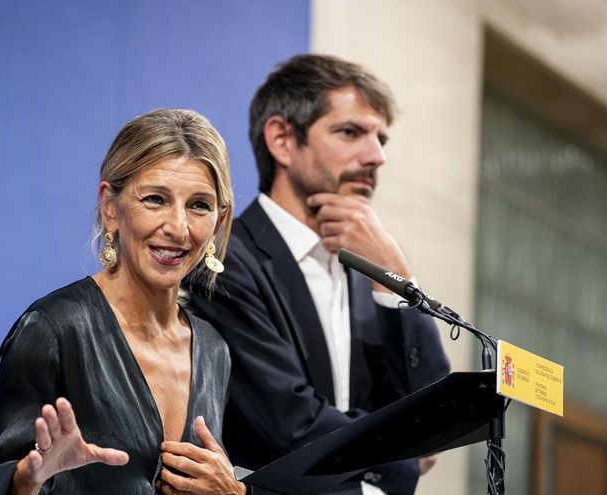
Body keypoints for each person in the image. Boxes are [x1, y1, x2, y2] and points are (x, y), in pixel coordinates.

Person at [188, 54, 450, 494]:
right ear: (283, 140)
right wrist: (403, 457)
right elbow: (290, 426)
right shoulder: (224, 262)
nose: (377, 156)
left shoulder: (368, 269)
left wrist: (396, 274)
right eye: (351, 132)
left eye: (382, 138)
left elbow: (435, 410)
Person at [0, 109, 247, 495]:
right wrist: (26, 481)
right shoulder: (53, 330)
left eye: (199, 205)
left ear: (218, 221)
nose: (178, 227)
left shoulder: (214, 349)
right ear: (110, 208)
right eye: (155, 199)